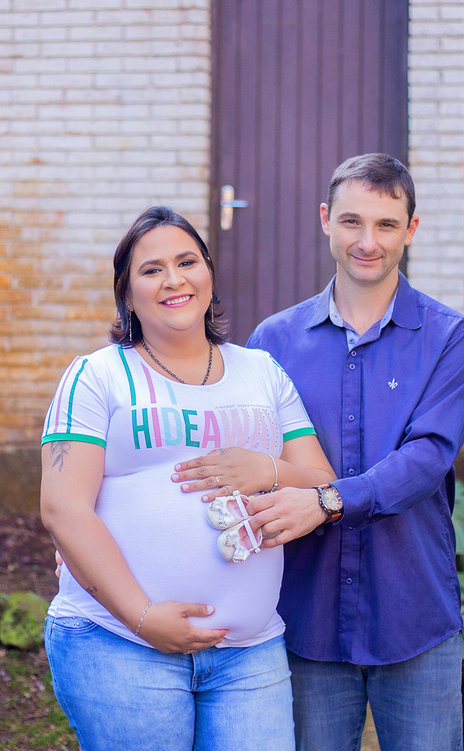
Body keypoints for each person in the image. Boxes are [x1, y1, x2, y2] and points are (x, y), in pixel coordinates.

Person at [174, 154, 464, 750]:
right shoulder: (273, 341)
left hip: (411, 611)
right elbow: (212, 450)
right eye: (351, 222)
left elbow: (427, 458)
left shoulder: (452, 338)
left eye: (387, 225)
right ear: (325, 220)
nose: (367, 242)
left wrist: (328, 500)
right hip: (305, 615)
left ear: (411, 229)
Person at [39, 206, 337, 751]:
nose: (174, 279)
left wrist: (267, 468)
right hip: (120, 644)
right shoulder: (96, 376)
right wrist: (143, 616)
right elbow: (64, 509)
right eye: (151, 270)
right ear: (127, 295)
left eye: (187, 262)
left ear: (209, 274)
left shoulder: (262, 372)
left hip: (250, 653)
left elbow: (323, 485)